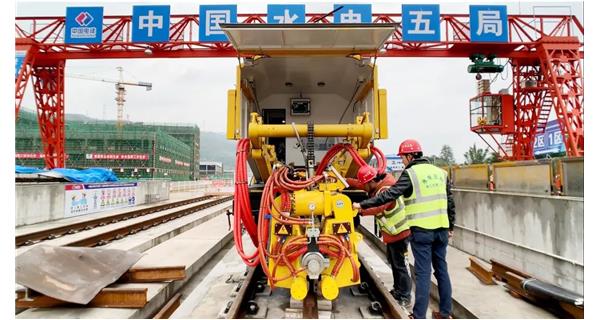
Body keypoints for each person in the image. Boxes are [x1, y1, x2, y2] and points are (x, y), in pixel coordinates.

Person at [352, 139, 455, 319]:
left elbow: (389, 195)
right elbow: (450, 202)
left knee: (422, 274)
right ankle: (445, 313)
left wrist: (361, 205)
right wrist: (451, 226)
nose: (402, 162)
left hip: (422, 231)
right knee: (441, 270)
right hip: (442, 230)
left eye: (402, 158)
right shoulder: (441, 172)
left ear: (410, 156)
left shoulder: (411, 174)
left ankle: (419, 315)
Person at [348, 165, 412, 307]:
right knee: (394, 263)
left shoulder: (386, 190)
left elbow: (379, 207)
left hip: (400, 232)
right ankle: (398, 291)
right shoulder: (377, 186)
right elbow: (359, 183)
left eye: (365, 185)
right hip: (392, 233)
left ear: (371, 181)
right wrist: (344, 180)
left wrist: (360, 210)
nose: (363, 187)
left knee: (401, 265)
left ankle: (405, 297)